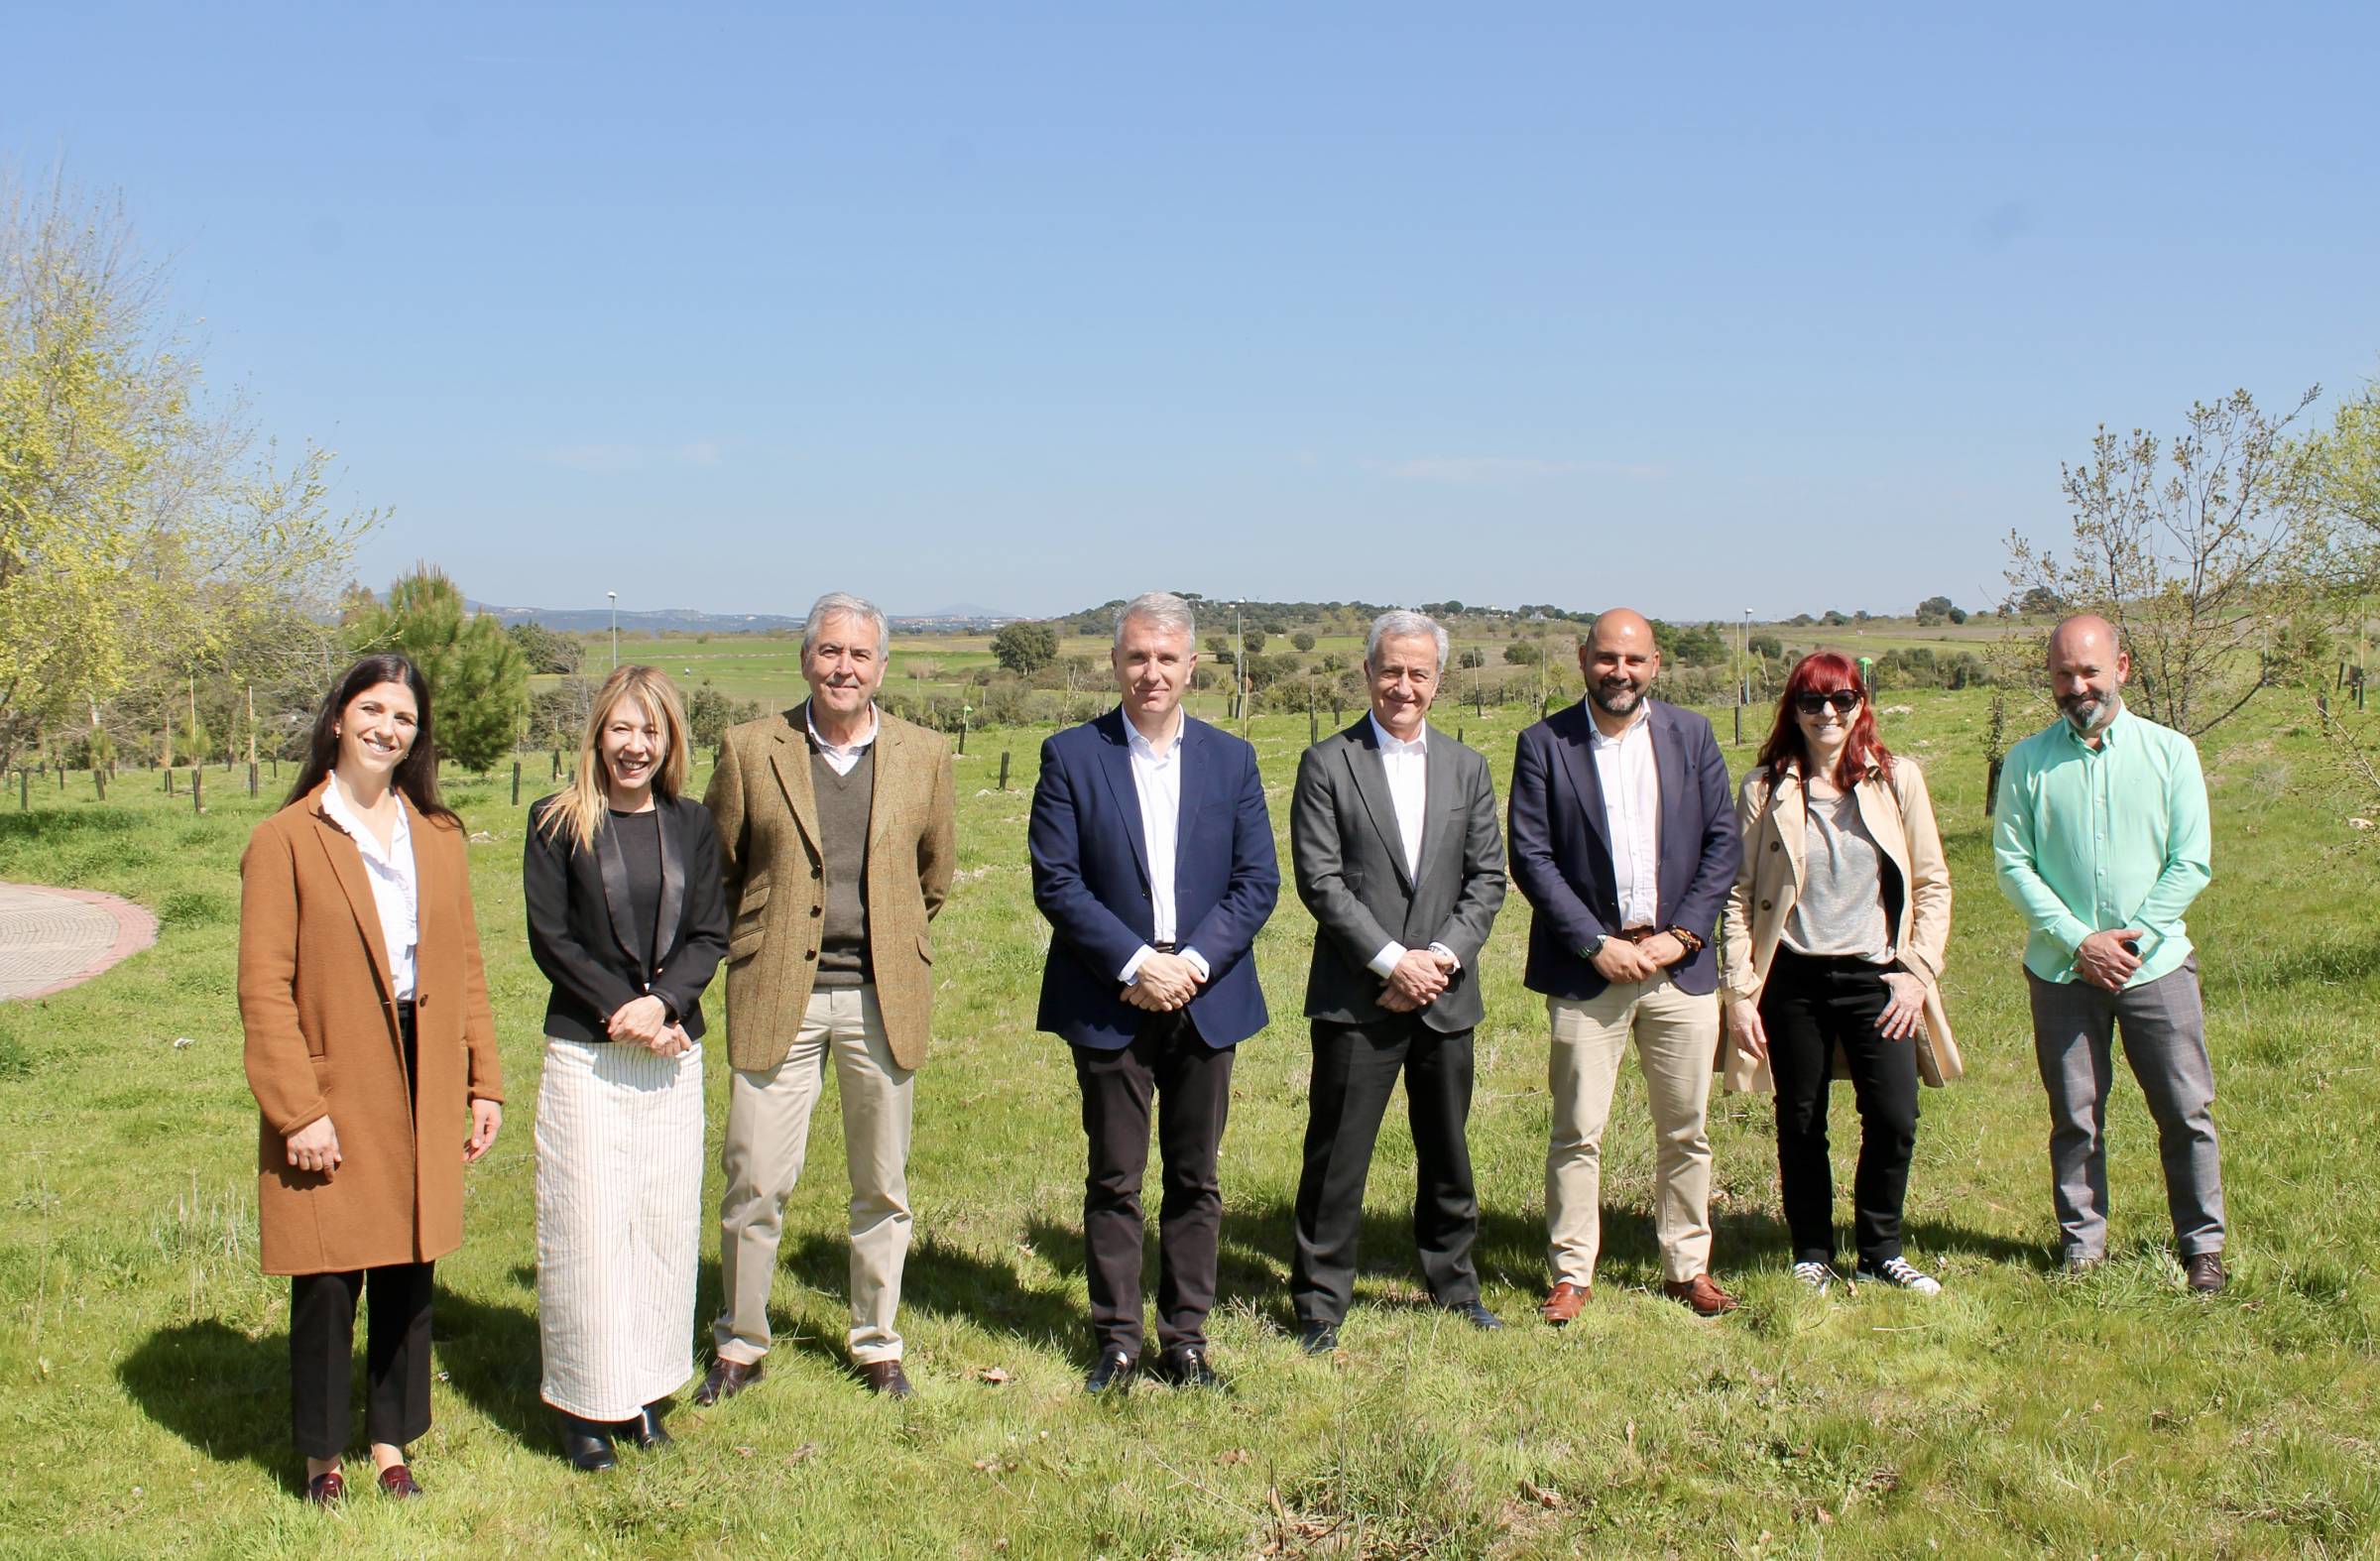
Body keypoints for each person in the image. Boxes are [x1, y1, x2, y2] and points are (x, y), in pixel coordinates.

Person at [236, 654, 504, 1504]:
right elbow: (263, 988)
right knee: (327, 1272)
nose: (388, 729)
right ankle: (322, 1457)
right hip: (335, 1068)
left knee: (407, 1262)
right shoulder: (285, 838)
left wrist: (483, 1081)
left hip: (423, 1060)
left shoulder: (438, 837)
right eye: (374, 710)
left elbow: (464, 967)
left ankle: (392, 1440)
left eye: (405, 719)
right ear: (339, 716)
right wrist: (297, 1111)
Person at [698, 592, 956, 1404]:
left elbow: (933, 878)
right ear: (805, 658)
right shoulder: (749, 749)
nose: (844, 667)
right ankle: (740, 1343)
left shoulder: (925, 753)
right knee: (755, 1181)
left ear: (882, 667)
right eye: (829, 652)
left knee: (882, 1185)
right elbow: (722, 868)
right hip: (779, 994)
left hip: (883, 997)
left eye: (860, 655)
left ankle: (877, 1343)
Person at [1029, 591, 1279, 1392]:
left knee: (1196, 1176)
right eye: (1137, 656)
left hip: (1205, 995)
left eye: (1167, 658)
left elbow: (1256, 882)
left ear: (1192, 667)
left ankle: (1188, 1339)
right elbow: (1058, 883)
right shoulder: (1071, 755)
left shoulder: (1231, 760)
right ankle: (1117, 1338)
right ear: (1115, 663)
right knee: (1115, 1176)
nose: (1151, 672)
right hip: (1112, 997)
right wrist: (1137, 963)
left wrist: (1191, 965)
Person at [1507, 608, 1742, 1320]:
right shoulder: (1545, 743)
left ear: (1656, 665)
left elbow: (1721, 844)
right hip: (1590, 971)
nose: (1620, 672)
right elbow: (1533, 857)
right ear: (1583, 659)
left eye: (1634, 661)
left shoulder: (1692, 736)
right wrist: (1593, 943)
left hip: (1678, 967)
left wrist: (1686, 935)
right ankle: (1572, 1273)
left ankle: (1686, 1266)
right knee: (1578, 1129)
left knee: (1686, 1128)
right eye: (1607, 658)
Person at [523, 665, 728, 1469]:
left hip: (672, 1057)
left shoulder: (691, 824)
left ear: (670, 739)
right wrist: (627, 1011)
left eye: (651, 731)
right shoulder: (556, 821)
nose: (634, 746)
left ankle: (643, 1393)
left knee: (660, 1226)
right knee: (588, 1229)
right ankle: (583, 1404)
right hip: (589, 1055)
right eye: (621, 729)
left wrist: (666, 1005)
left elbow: (710, 931)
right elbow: (553, 940)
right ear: (597, 734)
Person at [1287, 610, 1507, 1352]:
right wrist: (1391, 962)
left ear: (1438, 682)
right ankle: (1320, 1301)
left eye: (1418, 673)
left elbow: (1487, 882)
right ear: (1368, 674)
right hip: (1360, 998)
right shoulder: (1327, 763)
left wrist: (1437, 961)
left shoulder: (1467, 768)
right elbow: (1319, 882)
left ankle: (1453, 1283)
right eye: (1391, 671)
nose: (1403, 686)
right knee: (1338, 1156)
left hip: (1445, 995)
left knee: (1448, 1150)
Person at [1994, 614, 2226, 1291]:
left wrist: (2130, 941)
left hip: (2156, 966)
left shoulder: (2171, 753)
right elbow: (2013, 865)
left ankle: (2202, 1247)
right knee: (2075, 1115)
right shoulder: (2028, 761)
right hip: (2064, 970)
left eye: (2090, 670)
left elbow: (2190, 863)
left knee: (2186, 1111)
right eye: (2064, 673)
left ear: (2121, 668)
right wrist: (2080, 941)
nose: (2078, 685)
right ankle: (2082, 1246)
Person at [1720, 653, 1960, 1296]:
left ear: (1861, 705)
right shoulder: (1765, 788)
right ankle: (1812, 1250)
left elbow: (1933, 883)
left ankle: (1880, 1249)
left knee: (1894, 1115)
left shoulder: (1896, 779)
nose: (1828, 714)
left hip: (1880, 979)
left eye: (1843, 700)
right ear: (1792, 709)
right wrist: (1740, 992)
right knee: (1801, 1118)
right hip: (1791, 980)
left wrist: (1917, 971)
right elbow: (1739, 897)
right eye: (1813, 701)